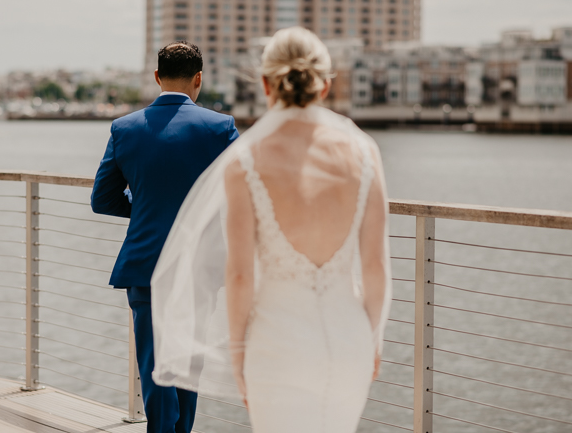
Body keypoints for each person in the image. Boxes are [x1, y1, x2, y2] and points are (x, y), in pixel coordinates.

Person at [151, 27, 392, 433]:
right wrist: (373, 339)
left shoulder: (245, 161)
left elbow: (240, 274)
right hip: (348, 338)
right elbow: (376, 269)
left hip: (277, 345)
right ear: (326, 84)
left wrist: (240, 356)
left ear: (265, 83)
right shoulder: (364, 152)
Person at [91, 41, 239, 433]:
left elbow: (102, 199)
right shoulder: (220, 127)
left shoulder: (124, 128)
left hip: (145, 264)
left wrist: (143, 208)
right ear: (199, 79)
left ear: (156, 77)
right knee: (188, 365)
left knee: (155, 365)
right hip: (198, 265)